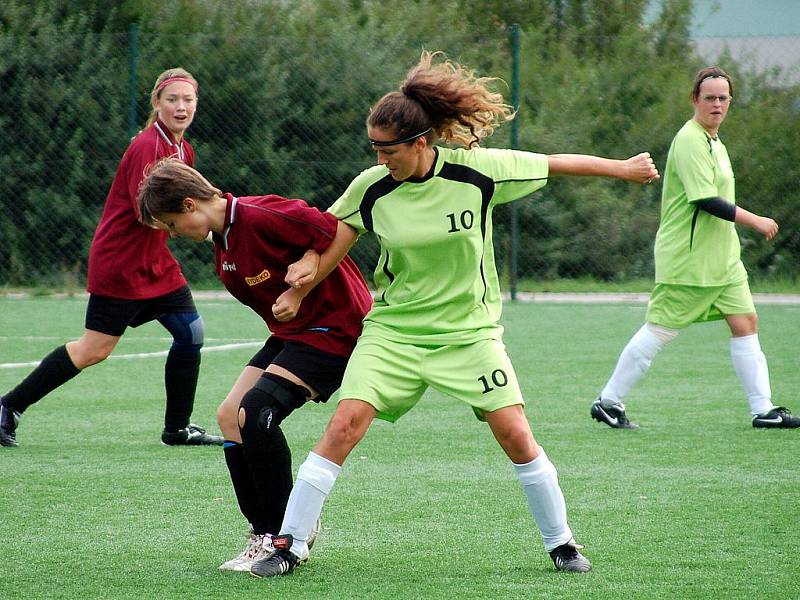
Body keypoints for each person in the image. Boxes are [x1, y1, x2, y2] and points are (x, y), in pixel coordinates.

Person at [249, 50, 659, 578]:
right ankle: (291, 545)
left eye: (387, 149)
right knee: (343, 425)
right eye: (372, 148)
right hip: (394, 332)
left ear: (421, 143)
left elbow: (554, 162)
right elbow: (332, 239)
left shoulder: (478, 172)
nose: (379, 158)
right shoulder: (370, 187)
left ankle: (562, 544)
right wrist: (304, 280)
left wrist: (623, 170)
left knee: (514, 433)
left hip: (469, 335)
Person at [136, 158, 373, 571]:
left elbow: (338, 230)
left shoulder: (262, 213)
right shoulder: (223, 242)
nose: (174, 235)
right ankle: (264, 532)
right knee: (231, 415)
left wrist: (306, 283)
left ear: (190, 204)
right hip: (295, 333)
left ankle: (289, 531)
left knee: (257, 410)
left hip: (335, 327)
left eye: (172, 225)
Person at [0, 68, 223, 448]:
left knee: (191, 334)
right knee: (93, 350)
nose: (181, 107)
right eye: (172, 100)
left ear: (197, 104)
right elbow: (146, 212)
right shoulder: (147, 148)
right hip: (121, 264)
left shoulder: (183, 149)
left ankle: (177, 429)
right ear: (157, 104)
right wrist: (200, 227)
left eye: (188, 100)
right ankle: (8, 407)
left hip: (156, 264)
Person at [590, 66, 799, 431]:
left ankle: (763, 409)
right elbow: (706, 200)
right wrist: (757, 220)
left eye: (723, 98)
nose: (717, 105)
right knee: (661, 329)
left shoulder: (715, 141)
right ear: (695, 100)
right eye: (710, 98)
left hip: (723, 260)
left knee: (745, 322)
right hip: (690, 260)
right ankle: (608, 401)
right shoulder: (689, 139)